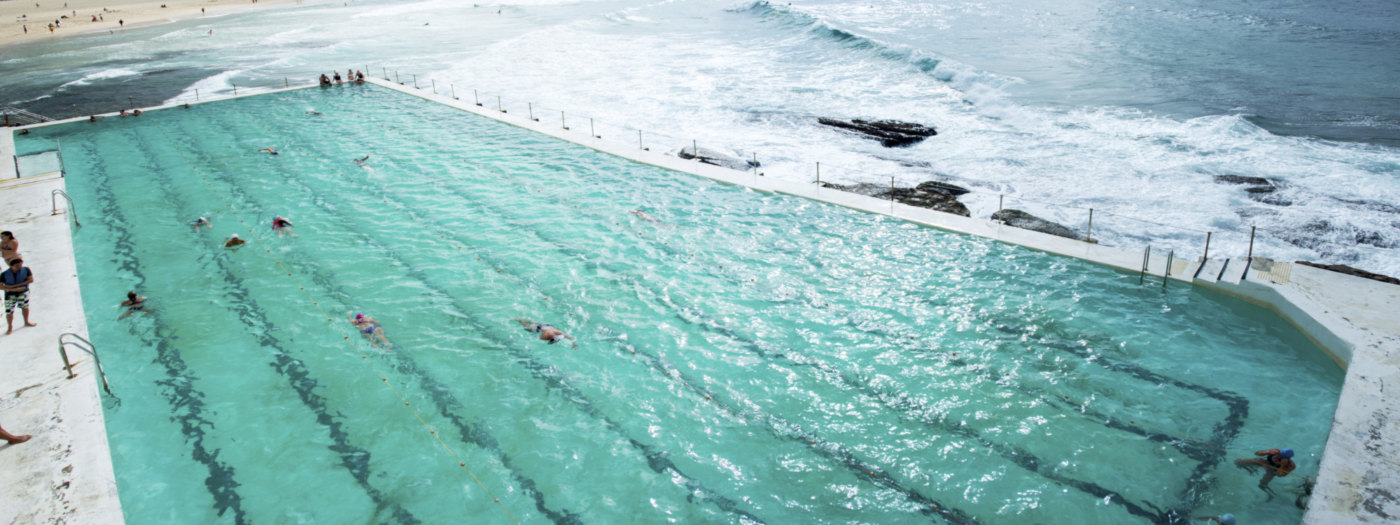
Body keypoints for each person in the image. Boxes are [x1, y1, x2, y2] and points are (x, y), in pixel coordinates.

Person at [2, 258, 36, 334]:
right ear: (12, 266)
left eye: (20, 265)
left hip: (23, 292)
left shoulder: (26, 270)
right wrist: (13, 289)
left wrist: (16, 286)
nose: (19, 267)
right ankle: (10, 327)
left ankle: (26, 322)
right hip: (10, 295)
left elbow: (31, 280)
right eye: (17, 266)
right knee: (9, 311)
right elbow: (1, 286)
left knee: (25, 307)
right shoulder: (4, 274)